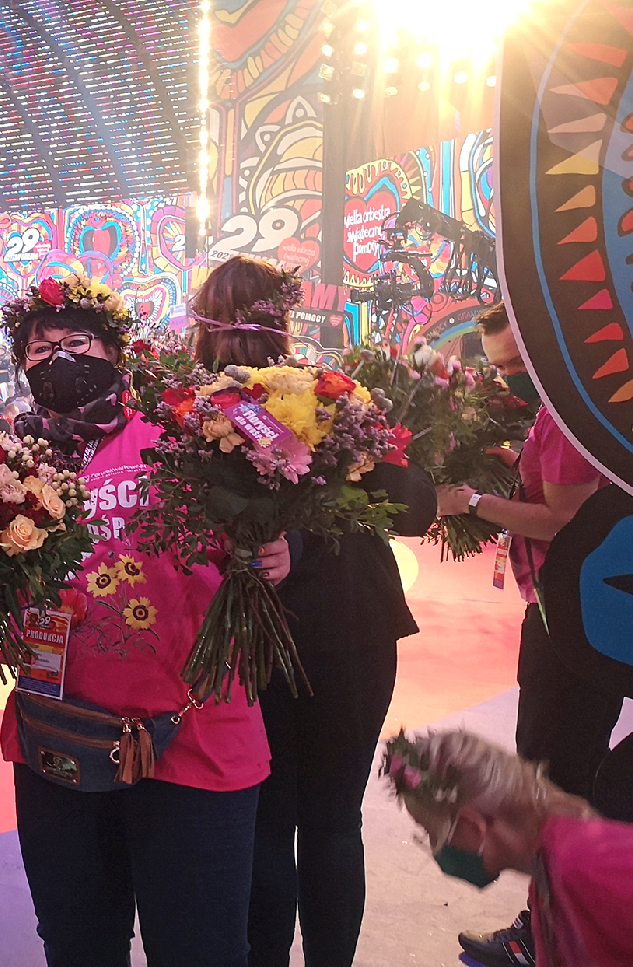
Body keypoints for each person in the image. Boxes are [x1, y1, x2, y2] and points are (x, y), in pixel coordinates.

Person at [0, 271, 289, 967]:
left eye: (76, 342)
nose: (58, 359)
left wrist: (283, 544)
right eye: (40, 349)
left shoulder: (189, 422)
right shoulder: (3, 465)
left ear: (115, 349)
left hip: (194, 740)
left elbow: (288, 477)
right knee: (77, 945)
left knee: (200, 950)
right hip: (58, 741)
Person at [189, 256, 437, 967]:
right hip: (349, 634)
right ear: (287, 320)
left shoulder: (196, 413)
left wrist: (295, 543)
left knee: (267, 824)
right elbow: (414, 505)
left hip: (273, 642)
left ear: (204, 327)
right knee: (330, 823)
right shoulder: (332, 397)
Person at [434, 301, 617, 965]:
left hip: (567, 623)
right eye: (500, 365)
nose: (510, 376)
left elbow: (567, 522)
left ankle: (551, 936)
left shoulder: (567, 419)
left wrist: (474, 503)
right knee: (565, 770)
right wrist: (516, 459)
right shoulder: (566, 409)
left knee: (551, 779)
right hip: (580, 618)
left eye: (517, 362)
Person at [380, 728, 633, 966]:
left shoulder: (586, 866)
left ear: (472, 825)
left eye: (433, 834)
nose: (436, 847)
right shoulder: (548, 868)